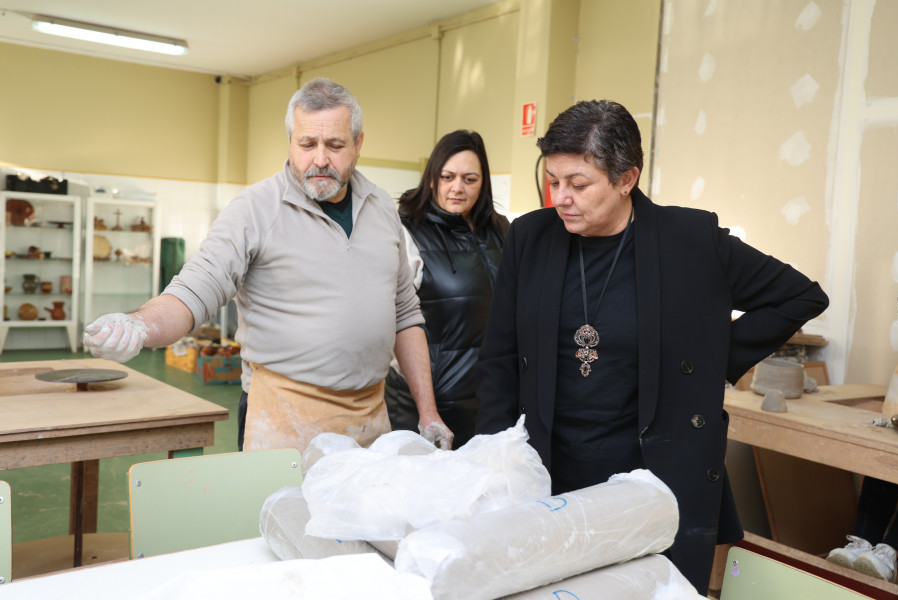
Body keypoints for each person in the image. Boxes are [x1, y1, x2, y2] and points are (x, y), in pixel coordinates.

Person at [474, 99, 829, 594]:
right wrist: (492, 461)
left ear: (627, 179)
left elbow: (801, 295)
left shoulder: (689, 241)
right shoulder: (530, 238)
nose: (560, 198)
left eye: (578, 184)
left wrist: (714, 361)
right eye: (553, 180)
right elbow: (500, 356)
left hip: (648, 481)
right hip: (548, 473)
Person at [82, 77, 453, 453]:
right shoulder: (254, 210)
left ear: (358, 144)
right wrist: (141, 324)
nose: (320, 159)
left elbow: (405, 314)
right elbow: (196, 289)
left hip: (370, 419)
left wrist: (428, 412)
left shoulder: (382, 209)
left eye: (335, 145)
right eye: (307, 144)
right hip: (283, 420)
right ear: (291, 142)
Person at [383, 130, 508, 449]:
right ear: (432, 179)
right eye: (448, 176)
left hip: (485, 404)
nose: (457, 188)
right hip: (422, 408)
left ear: (483, 184)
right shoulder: (406, 231)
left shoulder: (500, 231)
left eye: (469, 179)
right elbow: (396, 322)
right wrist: (428, 410)